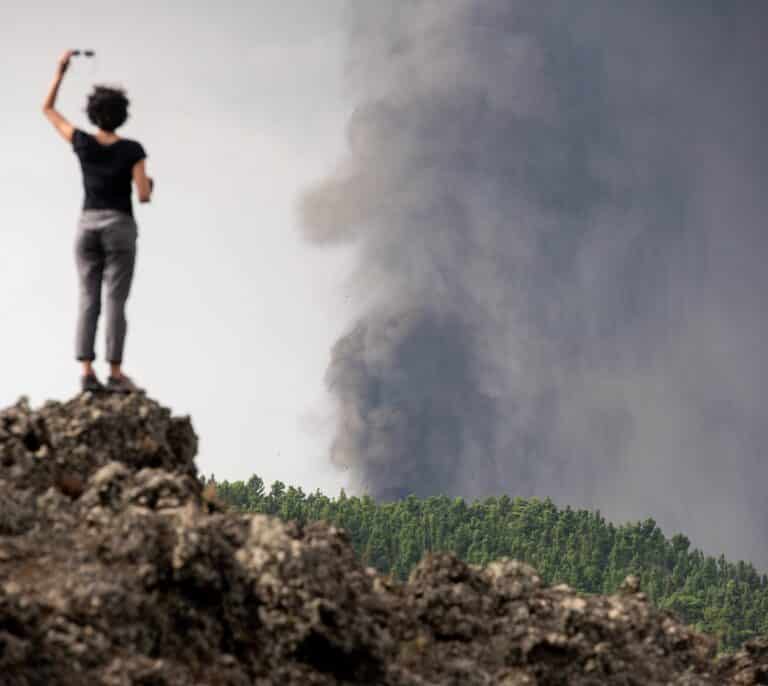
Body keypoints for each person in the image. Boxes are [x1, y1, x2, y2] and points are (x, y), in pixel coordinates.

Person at [42, 50, 153, 394]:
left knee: (87, 297)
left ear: (92, 114)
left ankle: (87, 372)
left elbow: (48, 110)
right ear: (122, 116)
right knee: (116, 300)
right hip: (119, 225)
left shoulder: (84, 143)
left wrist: (60, 72)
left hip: (87, 224)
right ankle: (116, 373)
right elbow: (144, 194)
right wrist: (150, 185)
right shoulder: (133, 149)